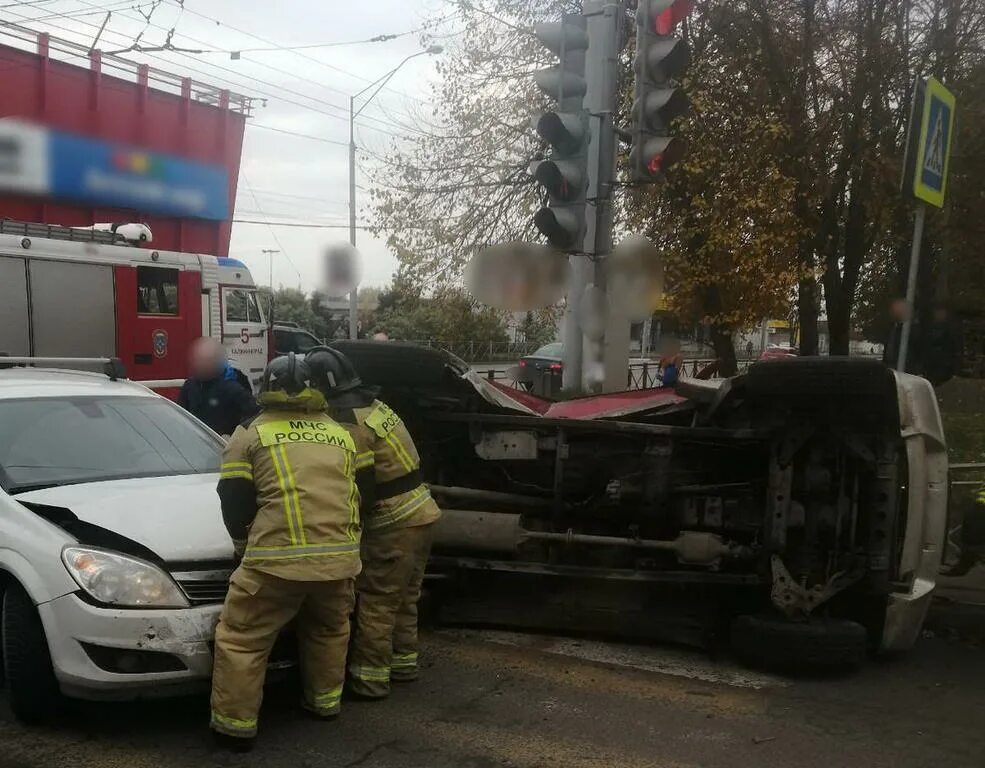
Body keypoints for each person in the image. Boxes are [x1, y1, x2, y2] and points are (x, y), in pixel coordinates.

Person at [210, 353, 365, 751]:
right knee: (329, 630)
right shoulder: (341, 433)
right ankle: (325, 704)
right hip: (340, 559)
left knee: (242, 639)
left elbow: (234, 500)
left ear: (267, 388)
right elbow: (359, 493)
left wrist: (243, 547)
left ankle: (234, 727)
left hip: (275, 564)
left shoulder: (249, 433)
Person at [306, 346, 440, 700]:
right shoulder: (375, 407)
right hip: (422, 512)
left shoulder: (349, 423)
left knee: (377, 602)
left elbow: (360, 487)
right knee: (404, 597)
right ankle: (403, 664)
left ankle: (370, 681)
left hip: (394, 521)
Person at [178, 337, 256, 437]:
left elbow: (253, 417)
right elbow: (180, 417)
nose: (200, 365)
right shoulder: (189, 387)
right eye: (198, 360)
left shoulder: (233, 389)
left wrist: (235, 437)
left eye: (206, 361)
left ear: (217, 362)